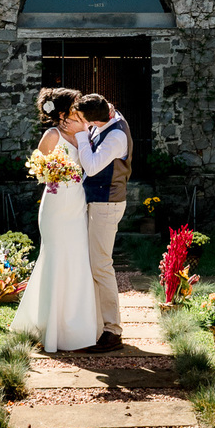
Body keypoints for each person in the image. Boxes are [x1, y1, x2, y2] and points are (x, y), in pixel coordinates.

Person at [11, 88, 101, 352]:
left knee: (78, 259)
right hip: (55, 204)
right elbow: (38, 169)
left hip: (77, 203)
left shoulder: (85, 133)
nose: (79, 109)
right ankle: (51, 329)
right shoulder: (53, 135)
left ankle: (78, 327)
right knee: (56, 258)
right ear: (62, 114)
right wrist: (56, 172)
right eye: (75, 106)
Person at [74, 93, 132, 353]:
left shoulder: (117, 135)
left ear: (96, 119)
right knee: (94, 264)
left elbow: (93, 166)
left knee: (101, 265)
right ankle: (97, 323)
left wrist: (80, 136)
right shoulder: (106, 119)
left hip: (106, 204)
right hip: (98, 202)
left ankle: (112, 331)